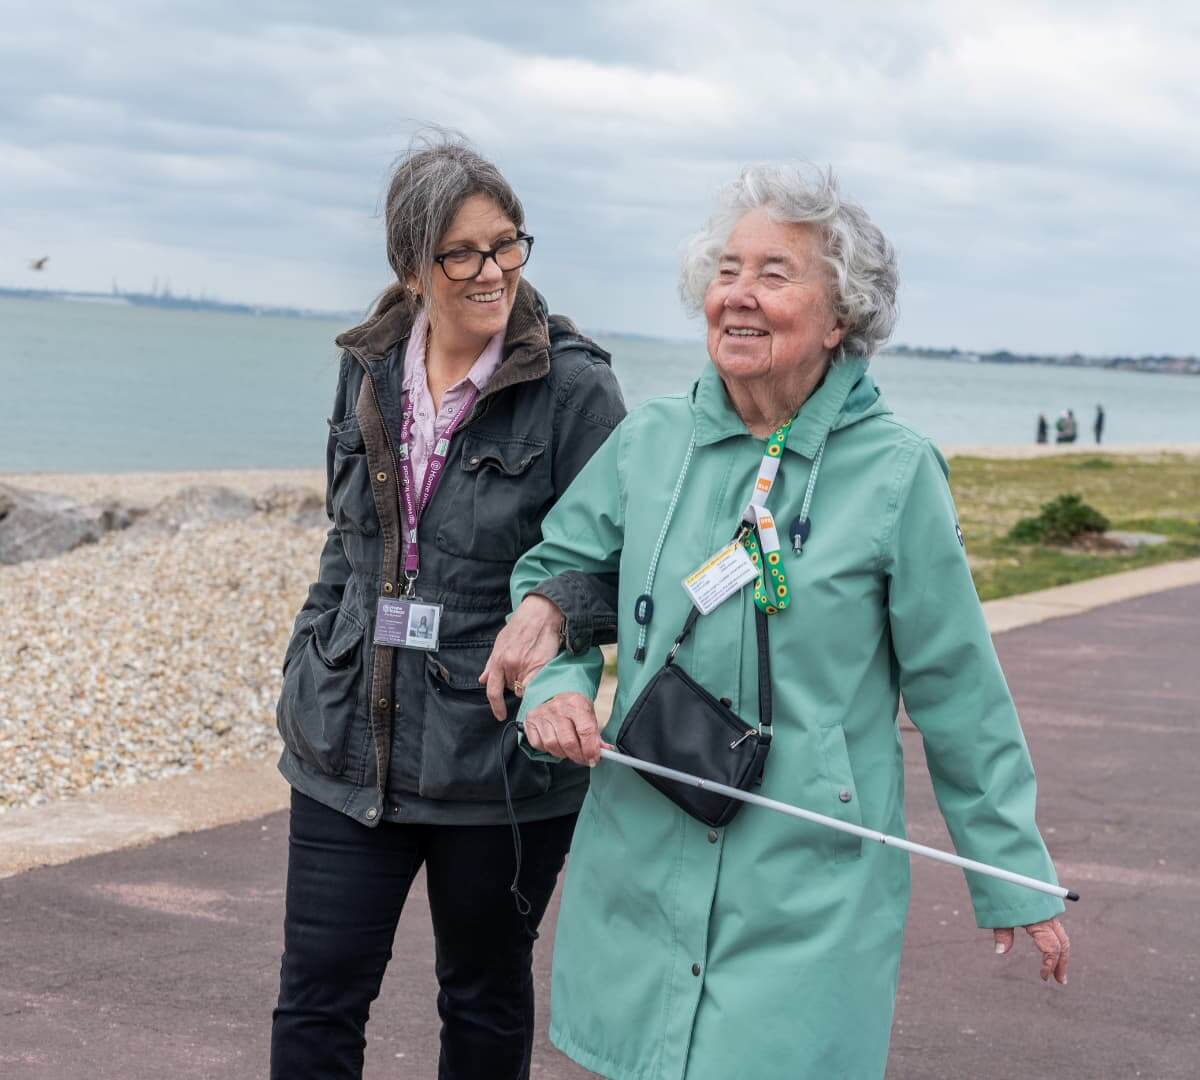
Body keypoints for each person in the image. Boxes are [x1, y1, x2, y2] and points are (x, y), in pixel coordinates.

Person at [490, 165, 1070, 1079]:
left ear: (841, 316)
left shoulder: (896, 473)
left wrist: (1012, 873)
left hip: (807, 881)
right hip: (643, 849)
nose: (740, 295)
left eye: (775, 273)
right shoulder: (650, 442)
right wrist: (555, 693)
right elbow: (556, 582)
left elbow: (957, 687)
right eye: (727, 270)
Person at [271, 134, 625, 1080]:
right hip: (346, 740)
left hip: (498, 760)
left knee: (482, 996)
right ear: (410, 264)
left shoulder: (576, 388)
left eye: (507, 243)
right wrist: (311, 655)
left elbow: (612, 563)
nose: (491, 271)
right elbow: (348, 544)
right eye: (461, 252)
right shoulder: (367, 368)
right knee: (317, 998)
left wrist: (554, 620)